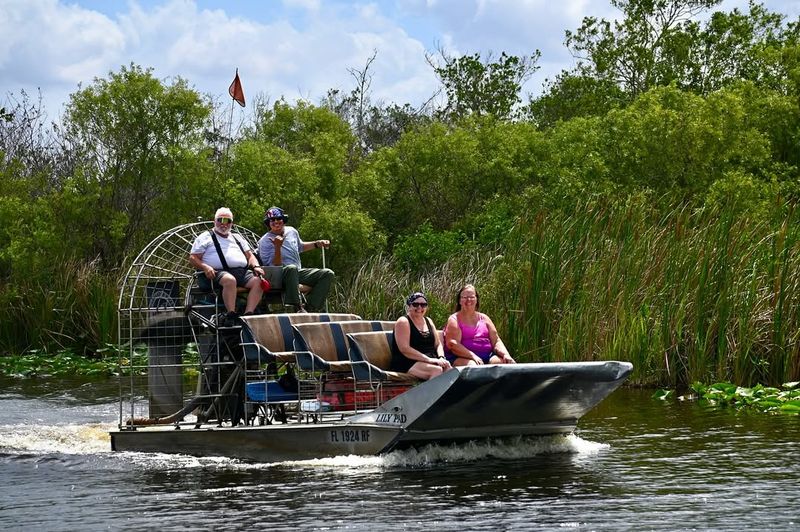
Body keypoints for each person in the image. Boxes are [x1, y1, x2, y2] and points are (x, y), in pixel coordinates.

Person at [189, 207, 264, 321]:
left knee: (259, 282)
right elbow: (193, 257)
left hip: (240, 272)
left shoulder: (237, 237)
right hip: (216, 273)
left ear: (232, 223)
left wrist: (256, 266)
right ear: (214, 221)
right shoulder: (205, 237)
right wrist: (205, 267)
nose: (224, 224)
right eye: (220, 220)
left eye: (228, 221)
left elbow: (250, 256)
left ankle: (249, 314)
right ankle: (231, 314)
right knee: (230, 280)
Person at [257, 206, 334, 313]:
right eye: (272, 220)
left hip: (297, 272)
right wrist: (277, 247)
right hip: (278, 275)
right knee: (291, 268)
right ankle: (296, 306)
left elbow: (300, 247)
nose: (276, 222)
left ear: (283, 220)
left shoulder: (292, 231)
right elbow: (274, 267)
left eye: (279, 219)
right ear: (268, 223)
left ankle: (310, 308)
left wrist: (317, 244)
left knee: (327, 273)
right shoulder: (264, 241)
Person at [444, 284, 516, 366]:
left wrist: (505, 355)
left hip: (487, 356)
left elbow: (496, 340)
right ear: (460, 301)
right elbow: (452, 344)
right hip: (462, 357)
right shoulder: (454, 319)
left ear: (476, 300)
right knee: (473, 366)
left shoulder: (485, 318)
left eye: (472, 297)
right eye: (464, 297)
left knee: (501, 364)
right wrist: (473, 356)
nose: (468, 300)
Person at [390, 291, 451, 380]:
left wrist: (441, 357)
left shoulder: (429, 321)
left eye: (423, 305)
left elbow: (438, 344)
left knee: (449, 370)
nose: (419, 307)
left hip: (429, 359)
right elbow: (405, 349)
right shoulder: (403, 321)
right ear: (409, 306)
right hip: (408, 361)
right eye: (415, 304)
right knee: (436, 370)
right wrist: (429, 360)